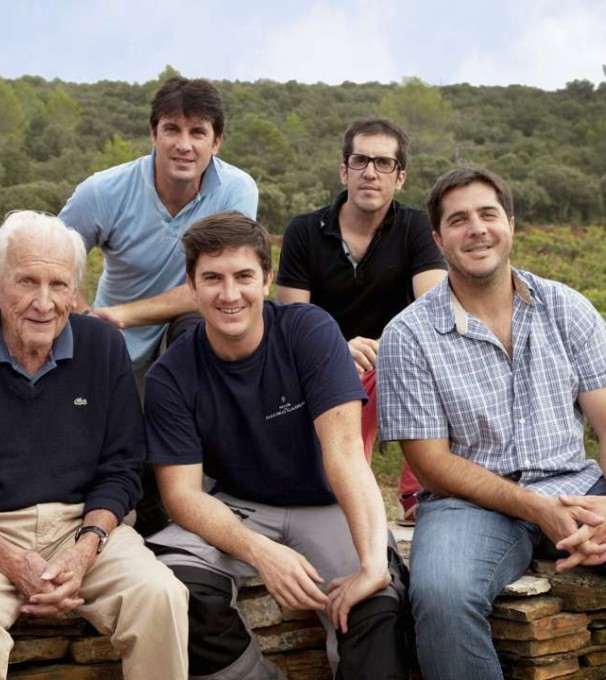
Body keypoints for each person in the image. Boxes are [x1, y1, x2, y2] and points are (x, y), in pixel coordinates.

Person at [377, 167, 606, 680]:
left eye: (488, 214)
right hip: (470, 503)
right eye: (458, 220)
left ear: (511, 224)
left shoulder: (566, 308)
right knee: (442, 595)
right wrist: (536, 508)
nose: (476, 229)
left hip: (577, 486)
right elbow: (432, 465)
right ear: (438, 239)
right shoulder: (409, 334)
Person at [0, 211, 188, 680]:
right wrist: (10, 558)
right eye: (27, 281)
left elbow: (122, 467)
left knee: (161, 597)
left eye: (59, 285)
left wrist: (85, 548)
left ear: (75, 292)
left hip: (82, 527)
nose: (44, 302)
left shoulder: (103, 347)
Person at [145, 211, 412, 679]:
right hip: (238, 505)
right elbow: (181, 495)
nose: (230, 294)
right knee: (176, 589)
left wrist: (372, 565)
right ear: (191, 285)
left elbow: (346, 454)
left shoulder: (309, 331)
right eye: (212, 278)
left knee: (378, 607)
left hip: (324, 500)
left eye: (244, 276)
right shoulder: (171, 374)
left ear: (266, 279)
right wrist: (260, 552)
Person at [276, 117, 446, 525]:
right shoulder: (304, 231)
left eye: (384, 163)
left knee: (419, 358)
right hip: (321, 362)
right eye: (360, 160)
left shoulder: (416, 227)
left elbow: (434, 304)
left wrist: (387, 348)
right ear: (344, 170)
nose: (371, 172)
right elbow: (291, 321)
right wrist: (335, 349)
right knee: (347, 373)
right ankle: (349, 490)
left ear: (400, 177)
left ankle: (419, 493)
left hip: (396, 358)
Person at [58, 76, 258, 379]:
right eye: (172, 129)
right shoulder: (102, 191)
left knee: (196, 323)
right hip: (111, 344)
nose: (184, 145)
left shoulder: (236, 191)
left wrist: (125, 315)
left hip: (186, 343)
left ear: (216, 142)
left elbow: (220, 284)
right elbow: (53, 263)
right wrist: (88, 320)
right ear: (153, 133)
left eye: (198, 132)